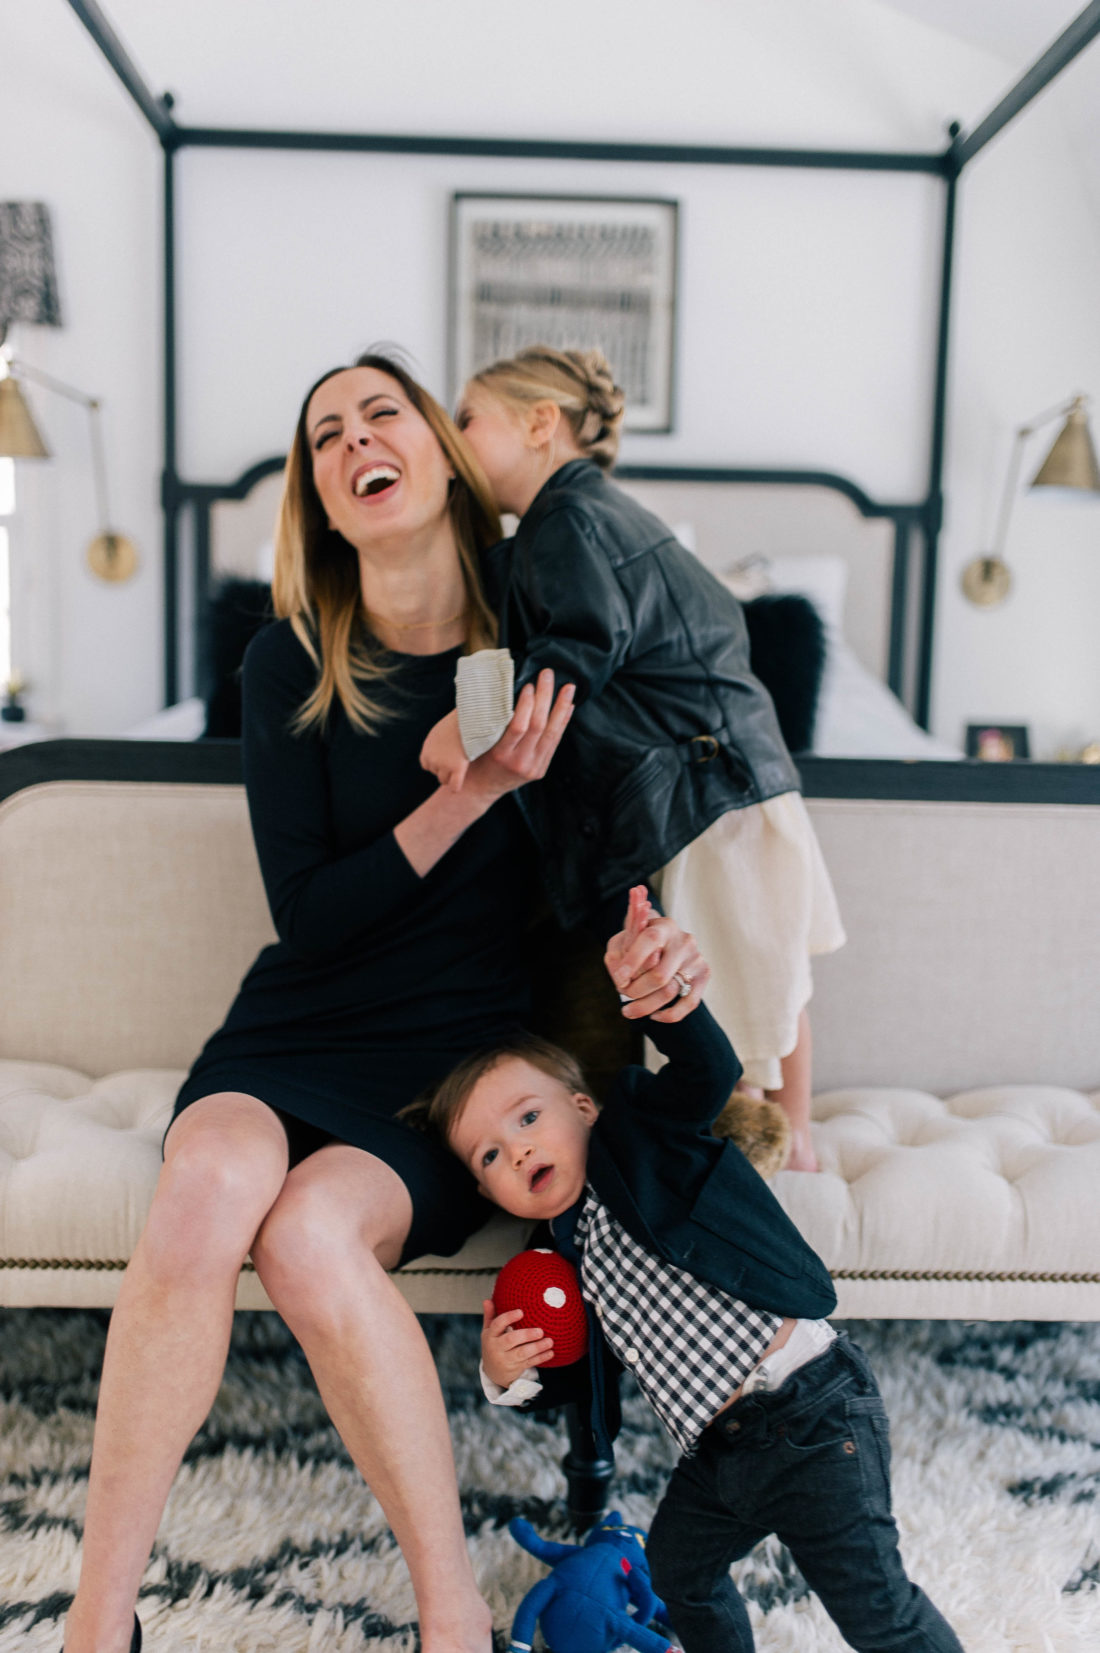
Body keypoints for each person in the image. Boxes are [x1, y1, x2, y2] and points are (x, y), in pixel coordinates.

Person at [61, 352, 575, 1653]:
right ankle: (97, 1615)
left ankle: (449, 1613)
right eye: (325, 436)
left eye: (381, 414)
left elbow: (611, 855)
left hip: (448, 1069)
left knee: (306, 1238)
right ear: (323, 500)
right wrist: (462, 789)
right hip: (298, 1022)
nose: (355, 442)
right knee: (210, 1189)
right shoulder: (287, 660)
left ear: (442, 455)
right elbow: (314, 913)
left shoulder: (547, 633)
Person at [413, 888, 964, 1653]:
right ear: (486, 1189)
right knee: (680, 1575)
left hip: (811, 1412)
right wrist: (506, 1372)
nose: (520, 1150)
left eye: (529, 1117)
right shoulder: (551, 1266)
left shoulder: (644, 1136)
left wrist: (662, 996)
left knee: (874, 1608)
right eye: (492, 1155)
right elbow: (577, 1375)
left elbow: (707, 1070)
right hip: (717, 1452)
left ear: (585, 1107)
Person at [421, 345, 845, 1172]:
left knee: (723, 984)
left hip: (705, 787)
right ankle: (797, 1127)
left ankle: (760, 1139)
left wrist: (469, 726)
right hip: (737, 776)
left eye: (467, 418)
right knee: (768, 962)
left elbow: (581, 644)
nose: (451, 437)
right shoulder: (590, 518)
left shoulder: (568, 519)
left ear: (541, 424)